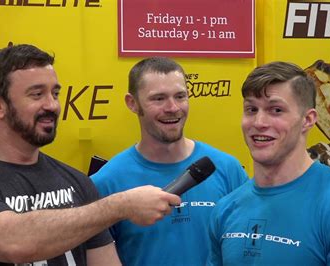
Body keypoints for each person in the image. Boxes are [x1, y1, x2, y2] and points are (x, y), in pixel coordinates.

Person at [0, 44, 181, 266]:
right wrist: (120, 205)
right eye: (37, 94)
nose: (52, 105)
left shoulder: (76, 182)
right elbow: (15, 242)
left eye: (55, 93)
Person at [207, 61, 330, 265]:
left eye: (276, 110)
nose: (259, 122)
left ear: (308, 119)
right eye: (251, 109)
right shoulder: (226, 209)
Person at [91, 57, 248, 265]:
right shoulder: (106, 182)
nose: (173, 108)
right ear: (132, 103)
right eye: (158, 99)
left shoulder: (227, 168)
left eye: (180, 96)